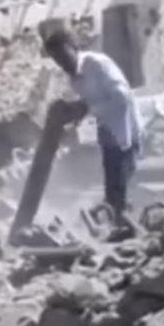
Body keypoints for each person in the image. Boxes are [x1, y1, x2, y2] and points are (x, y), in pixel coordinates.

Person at [44, 29, 141, 235]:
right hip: (107, 133)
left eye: (63, 55)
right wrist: (76, 114)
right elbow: (90, 104)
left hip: (125, 130)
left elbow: (121, 98)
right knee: (111, 187)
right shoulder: (74, 79)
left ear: (74, 48)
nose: (61, 62)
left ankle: (128, 230)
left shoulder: (97, 64)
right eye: (56, 59)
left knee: (121, 185)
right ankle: (117, 227)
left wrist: (86, 108)